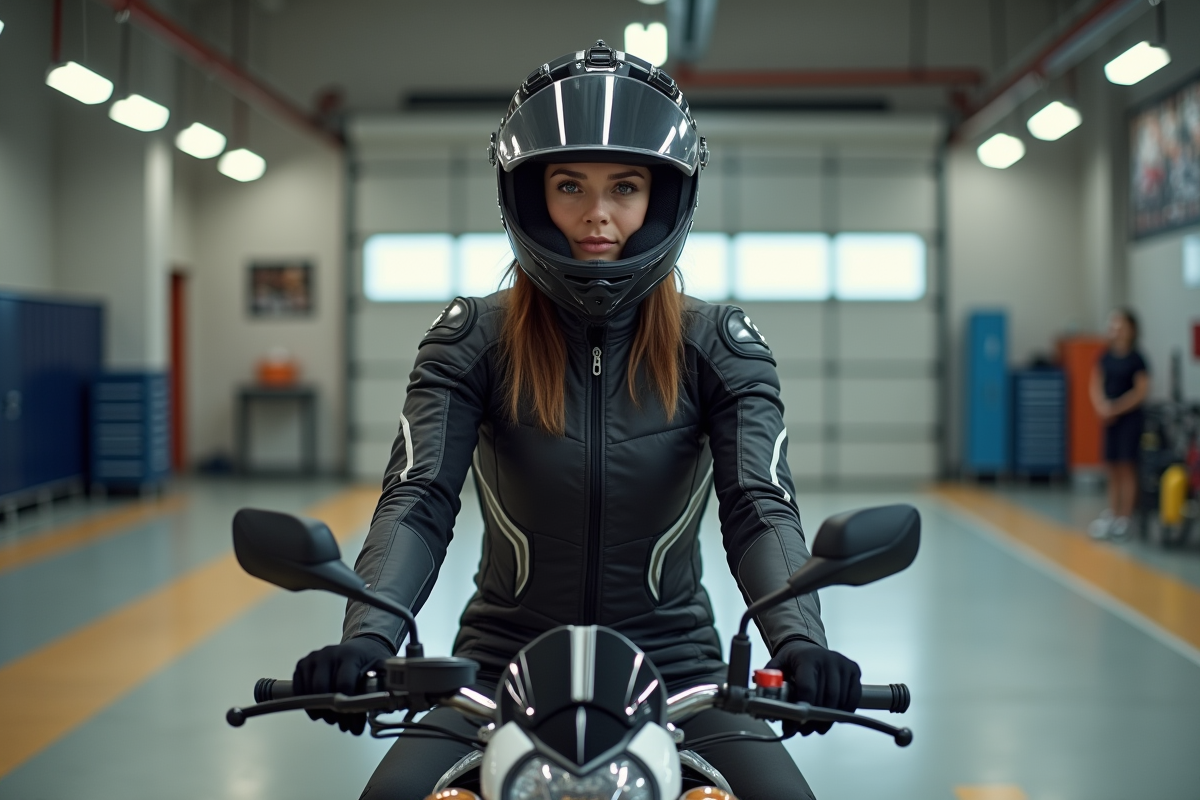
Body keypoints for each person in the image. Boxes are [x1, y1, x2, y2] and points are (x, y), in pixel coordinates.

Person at [293, 42, 860, 800]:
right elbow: (419, 498)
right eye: (569, 186)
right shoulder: (471, 340)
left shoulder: (719, 346)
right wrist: (368, 638)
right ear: (530, 197)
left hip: (677, 671)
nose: (598, 215)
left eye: (625, 187)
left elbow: (758, 505)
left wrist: (799, 642)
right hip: (498, 668)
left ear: (663, 198)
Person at [1088, 308, 1150, 540]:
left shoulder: (1137, 359)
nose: (1115, 329)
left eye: (1120, 325)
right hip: (1109, 419)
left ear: (1131, 329)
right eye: (1112, 325)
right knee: (1112, 467)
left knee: (1126, 467)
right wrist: (1101, 406)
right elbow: (1095, 383)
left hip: (1129, 419)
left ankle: (1126, 517)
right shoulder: (1105, 356)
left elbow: (1140, 391)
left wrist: (1116, 408)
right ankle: (1112, 514)